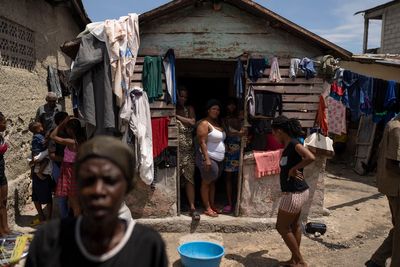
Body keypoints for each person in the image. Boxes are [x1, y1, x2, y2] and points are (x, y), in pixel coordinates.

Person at [25, 136, 168, 267]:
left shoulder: (147, 247)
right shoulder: (49, 241)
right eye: (89, 180)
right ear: (78, 185)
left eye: (110, 181)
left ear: (128, 187)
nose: (98, 190)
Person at [271, 116, 315, 267]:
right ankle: (294, 260)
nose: (274, 137)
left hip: (294, 193)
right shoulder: (290, 144)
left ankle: (300, 261)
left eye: (275, 133)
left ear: (280, 131)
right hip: (299, 191)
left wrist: (294, 169)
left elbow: (310, 157)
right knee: (294, 226)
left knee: (281, 227)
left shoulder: (295, 143)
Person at [365, 116, 400, 267]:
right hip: (396, 187)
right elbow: (393, 164)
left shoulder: (393, 124)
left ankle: (377, 261)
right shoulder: (397, 128)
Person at [50, 117, 86, 216]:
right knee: (78, 203)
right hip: (78, 171)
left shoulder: (71, 142)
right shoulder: (83, 141)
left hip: (70, 172)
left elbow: (52, 136)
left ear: (71, 129)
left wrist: (62, 123)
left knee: (74, 204)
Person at [196, 99, 226, 217]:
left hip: (219, 159)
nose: (216, 111)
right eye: (213, 108)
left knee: (212, 182)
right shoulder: (204, 124)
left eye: (218, 109)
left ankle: (212, 205)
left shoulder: (218, 124)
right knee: (206, 182)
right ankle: (207, 208)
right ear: (208, 110)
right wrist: (207, 159)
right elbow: (202, 142)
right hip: (209, 158)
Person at [176, 87, 199, 220]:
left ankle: (192, 208)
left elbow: (192, 122)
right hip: (176, 151)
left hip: (188, 150)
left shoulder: (189, 109)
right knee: (178, 179)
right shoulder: (171, 107)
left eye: (185, 96)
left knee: (190, 178)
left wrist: (177, 116)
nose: (182, 99)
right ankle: (178, 206)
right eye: (181, 96)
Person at [222, 98, 245, 214]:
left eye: (233, 105)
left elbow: (244, 132)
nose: (231, 107)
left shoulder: (241, 118)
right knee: (228, 178)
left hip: (240, 150)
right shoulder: (224, 120)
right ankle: (230, 203)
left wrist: (238, 133)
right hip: (229, 151)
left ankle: (238, 202)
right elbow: (227, 133)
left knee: (238, 178)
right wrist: (238, 133)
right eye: (229, 105)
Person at [28, 122, 53, 225]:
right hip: (40, 162)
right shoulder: (38, 137)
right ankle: (47, 217)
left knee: (37, 196)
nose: (43, 127)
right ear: (38, 129)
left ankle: (43, 216)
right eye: (41, 126)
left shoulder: (36, 136)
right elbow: (41, 146)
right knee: (45, 196)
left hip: (38, 164)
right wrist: (48, 139)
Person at [48, 112, 69, 218]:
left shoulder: (69, 131)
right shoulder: (55, 134)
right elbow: (52, 155)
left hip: (69, 168)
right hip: (59, 167)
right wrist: (68, 160)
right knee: (62, 196)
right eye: (66, 119)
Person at [0, 112, 10, 236]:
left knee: (4, 201)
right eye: (3, 122)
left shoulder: (1, 137)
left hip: (1, 172)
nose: (5, 124)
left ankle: (6, 228)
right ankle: (1, 232)